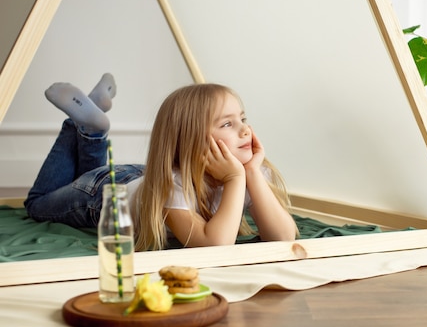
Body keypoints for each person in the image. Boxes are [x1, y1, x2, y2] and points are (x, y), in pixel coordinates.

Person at [24, 74, 297, 251]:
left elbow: (284, 238)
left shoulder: (251, 173)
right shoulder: (172, 186)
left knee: (84, 175)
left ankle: (91, 123)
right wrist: (236, 179)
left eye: (243, 119)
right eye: (228, 123)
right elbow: (214, 246)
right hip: (103, 195)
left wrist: (250, 173)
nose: (245, 130)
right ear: (190, 140)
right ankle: (81, 126)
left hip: (142, 177)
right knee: (38, 203)